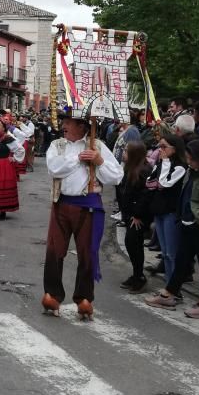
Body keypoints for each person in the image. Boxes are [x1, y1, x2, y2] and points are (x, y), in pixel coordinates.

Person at [42, 110, 123, 319]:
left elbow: (116, 177)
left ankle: (84, 298)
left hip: (88, 205)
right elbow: (54, 169)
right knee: (54, 250)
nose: (64, 126)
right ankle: (52, 294)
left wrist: (99, 161)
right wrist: (78, 159)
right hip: (61, 203)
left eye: (69, 122)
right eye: (64, 122)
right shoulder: (57, 145)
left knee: (87, 253)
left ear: (83, 126)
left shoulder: (98, 146)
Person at [145, 140, 199, 318]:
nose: (189, 162)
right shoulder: (191, 173)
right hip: (187, 224)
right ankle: (170, 294)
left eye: (192, 159)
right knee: (181, 260)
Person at [145, 133, 188, 283]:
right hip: (159, 210)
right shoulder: (161, 164)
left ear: (175, 149)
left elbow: (164, 183)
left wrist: (165, 164)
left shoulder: (180, 167)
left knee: (171, 252)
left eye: (164, 146)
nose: (160, 149)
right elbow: (150, 183)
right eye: (159, 146)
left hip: (171, 211)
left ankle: (173, 286)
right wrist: (161, 168)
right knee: (164, 252)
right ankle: (169, 283)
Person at [117, 141, 152, 293]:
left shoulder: (143, 171)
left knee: (133, 244)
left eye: (126, 151)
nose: (123, 153)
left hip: (138, 216)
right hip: (129, 214)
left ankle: (139, 277)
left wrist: (137, 214)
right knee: (132, 244)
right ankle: (137, 274)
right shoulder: (130, 169)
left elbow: (145, 196)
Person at [0, 116, 25, 220]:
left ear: (4, 128)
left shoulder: (8, 138)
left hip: (4, 165)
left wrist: (14, 158)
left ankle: (2, 212)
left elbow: (20, 149)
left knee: (1, 187)